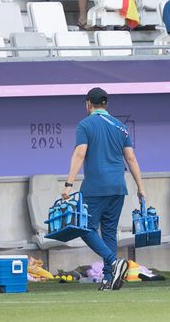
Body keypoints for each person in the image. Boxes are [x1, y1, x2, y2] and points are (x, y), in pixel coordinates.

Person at [61, 87, 144, 291]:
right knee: (108, 232)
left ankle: (113, 262)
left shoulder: (85, 125)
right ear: (105, 104)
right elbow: (131, 158)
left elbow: (80, 154)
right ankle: (109, 279)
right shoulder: (121, 127)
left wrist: (68, 184)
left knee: (84, 228)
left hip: (96, 187)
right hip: (118, 187)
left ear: (89, 103)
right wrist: (141, 187)